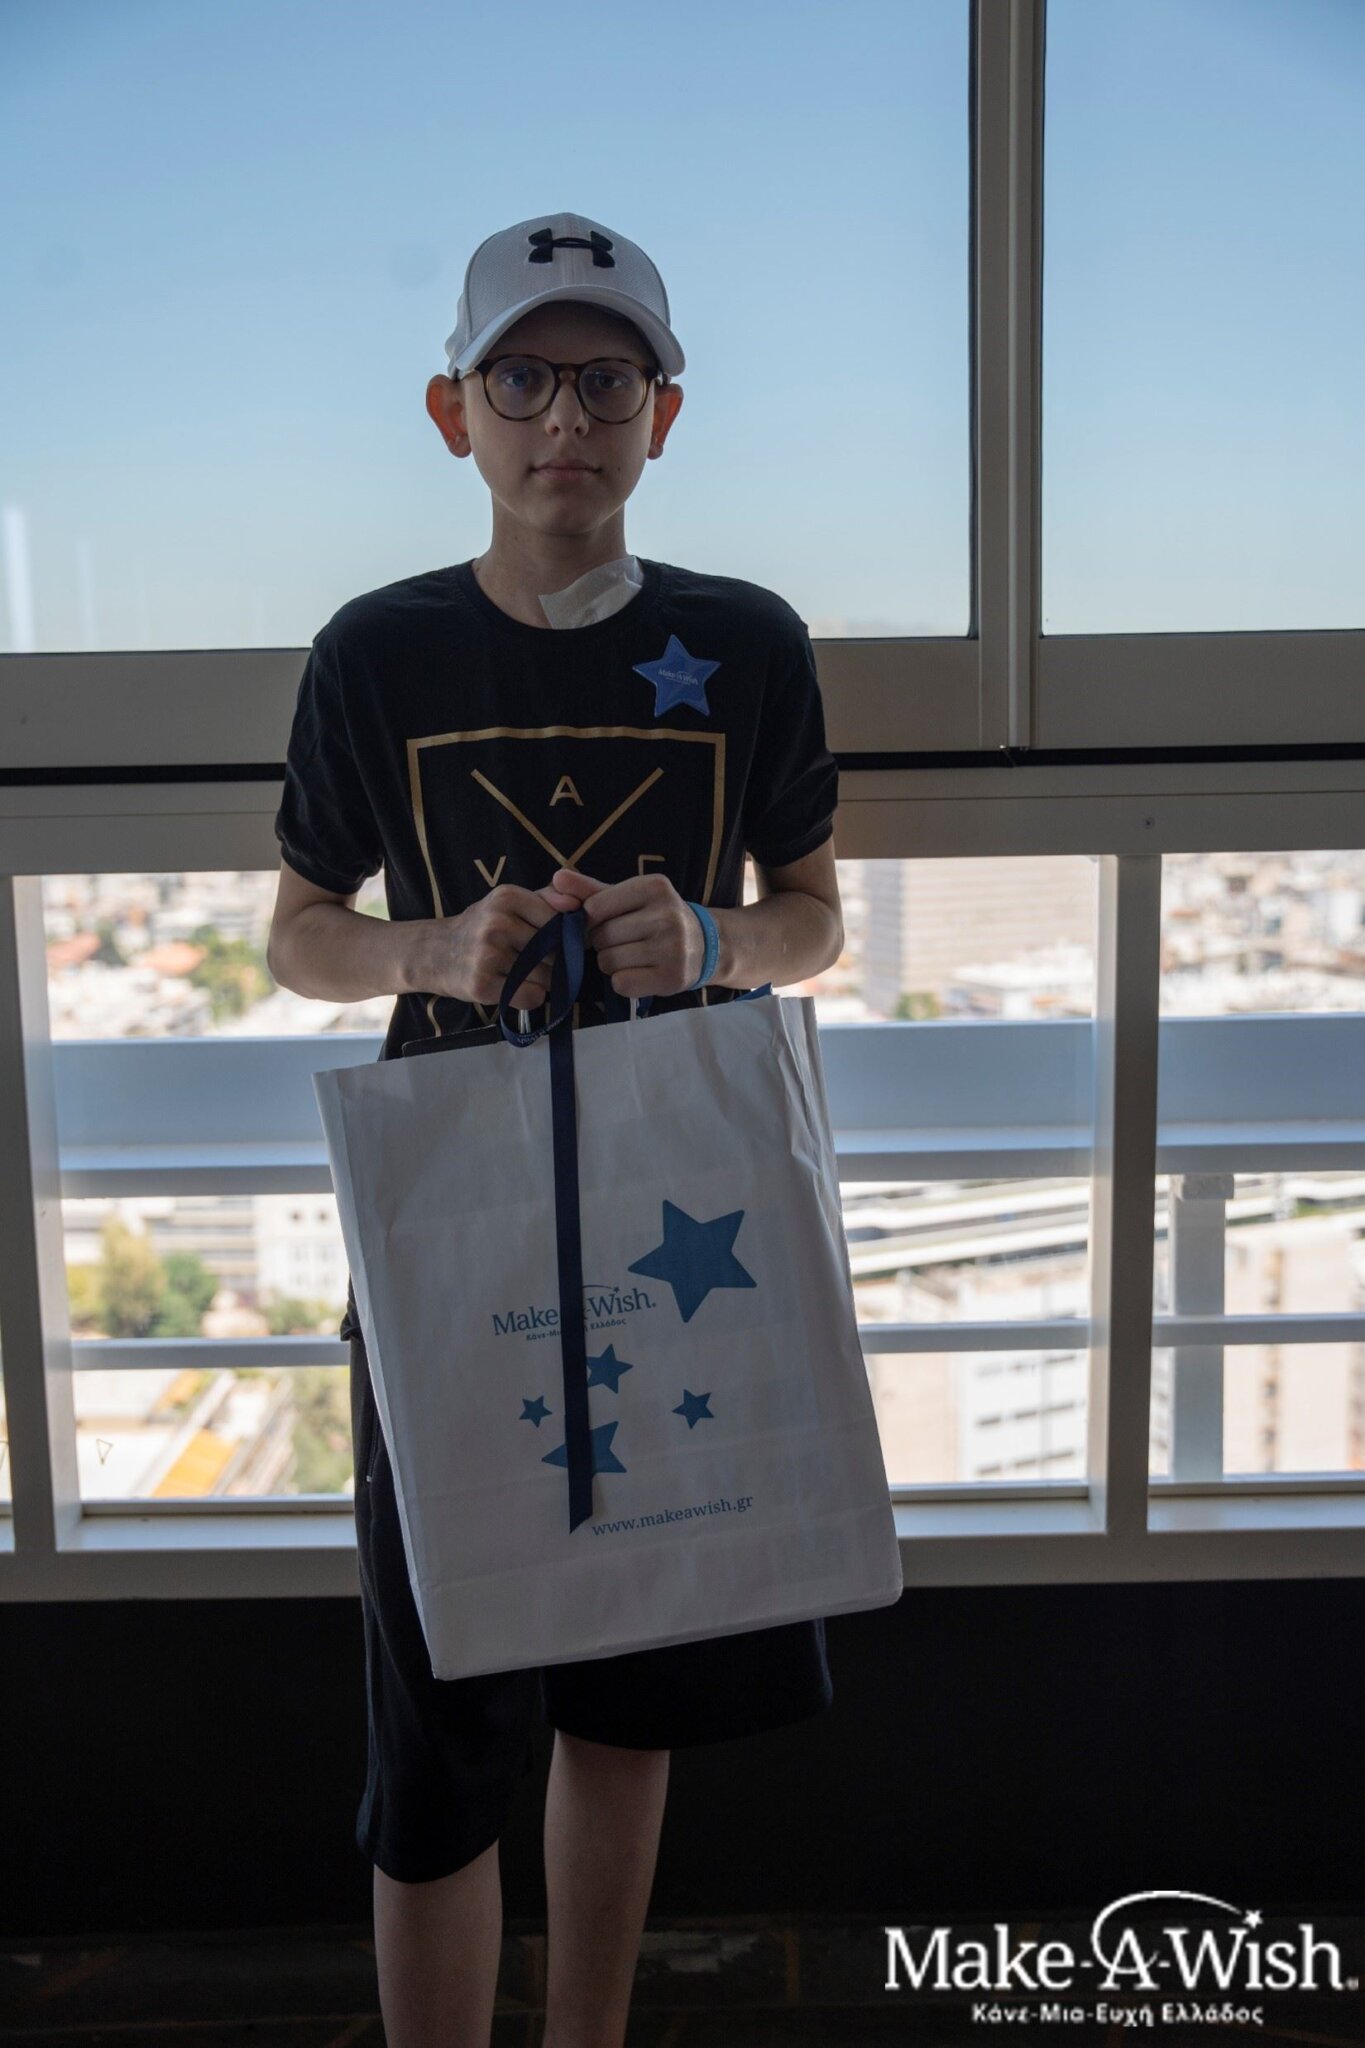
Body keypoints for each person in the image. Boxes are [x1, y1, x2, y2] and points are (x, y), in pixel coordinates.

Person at [267, 211, 845, 2048]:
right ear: (455, 412)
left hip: (683, 1229)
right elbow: (297, 934)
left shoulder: (743, 643)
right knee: (440, 1720)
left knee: (628, 1699)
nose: (563, 420)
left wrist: (719, 941)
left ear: (662, 414)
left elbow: (814, 917)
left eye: (606, 381)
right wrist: (429, 945)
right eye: (521, 378)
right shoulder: (378, 652)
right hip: (449, 1237)